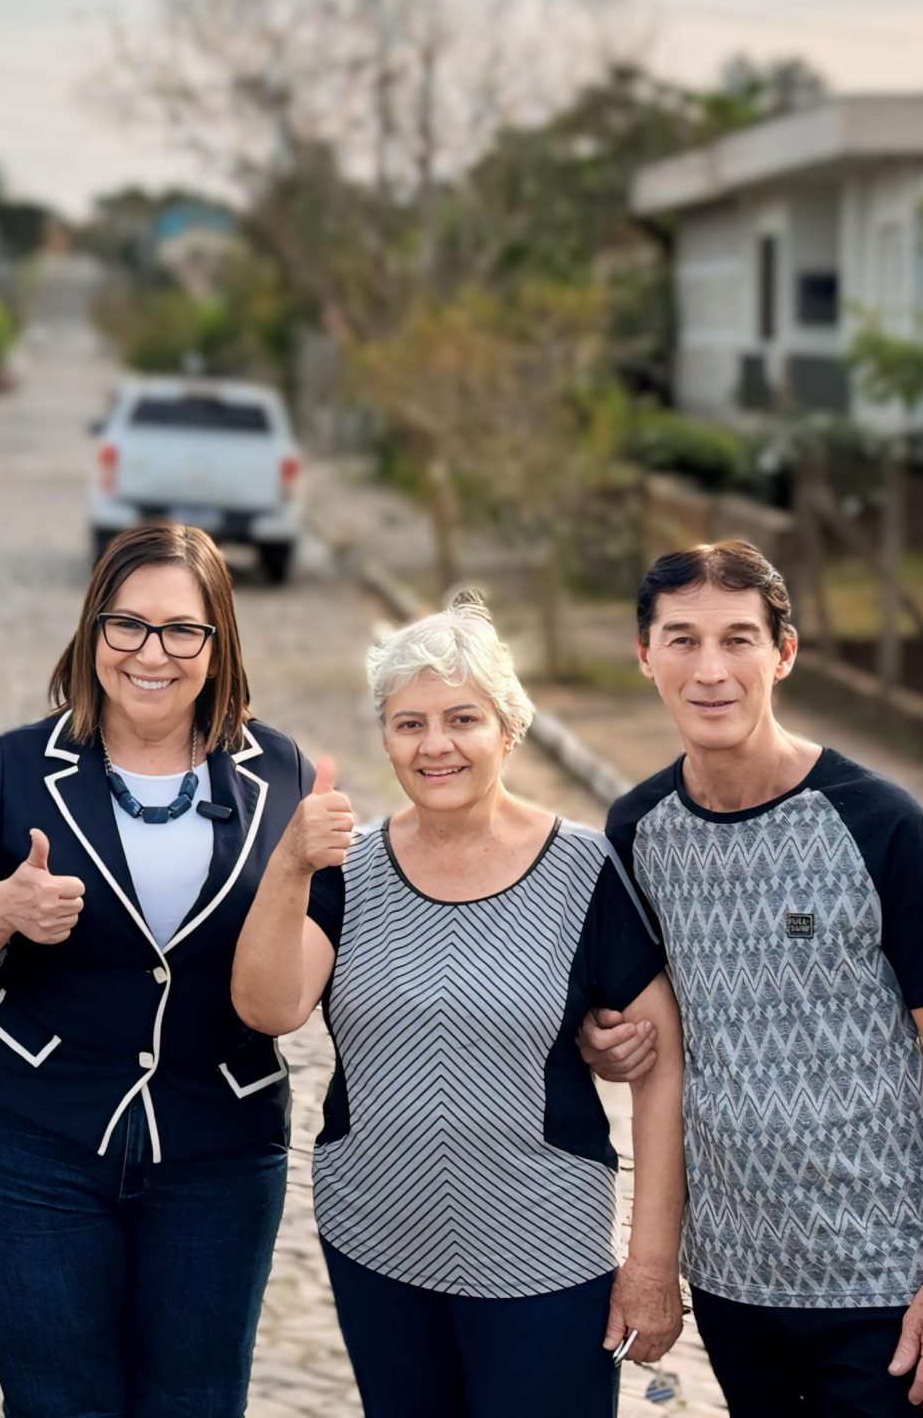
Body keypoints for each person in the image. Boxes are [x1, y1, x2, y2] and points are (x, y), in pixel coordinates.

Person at [232, 593, 687, 1418]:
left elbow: (662, 1065)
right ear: (386, 738)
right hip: (374, 1237)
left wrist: (651, 1263)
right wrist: (289, 865)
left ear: (508, 730)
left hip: (546, 1253)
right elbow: (270, 1007)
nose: (435, 745)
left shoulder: (586, 872)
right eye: (409, 724)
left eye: (462, 719)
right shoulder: (349, 867)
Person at [0, 521, 312, 1418]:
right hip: (26, 1137)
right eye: (126, 625)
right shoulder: (17, 767)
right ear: (93, 633)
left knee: (197, 1402)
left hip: (220, 1146)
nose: (150, 653)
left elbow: (333, 953)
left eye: (180, 630)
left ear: (218, 642)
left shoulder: (281, 774)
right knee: (59, 1401)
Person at [583, 542, 923, 1417]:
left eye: (738, 640)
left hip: (883, 1282)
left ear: (785, 653)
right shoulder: (637, 830)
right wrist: (604, 1036)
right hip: (736, 1280)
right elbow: (641, 1026)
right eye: (682, 640)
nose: (710, 671)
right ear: (644, 654)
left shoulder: (880, 822)